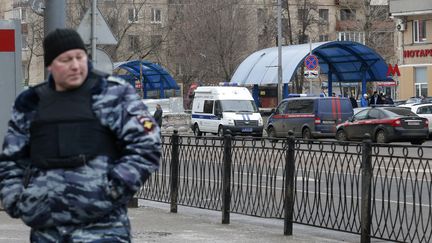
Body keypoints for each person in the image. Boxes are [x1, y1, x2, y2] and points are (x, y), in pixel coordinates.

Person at [0, 28, 161, 242]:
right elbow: (11, 160)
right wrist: (17, 201)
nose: (75, 66)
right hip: (48, 231)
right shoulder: (30, 103)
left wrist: (110, 191)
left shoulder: (114, 94)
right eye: (66, 60)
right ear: (50, 65)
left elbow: (147, 147)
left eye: (80, 57)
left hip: (103, 230)